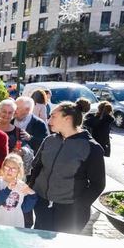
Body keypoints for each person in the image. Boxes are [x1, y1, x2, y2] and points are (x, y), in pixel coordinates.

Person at [29, 99, 106, 234]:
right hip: (42, 205)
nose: (49, 120)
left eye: (53, 116)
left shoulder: (91, 147)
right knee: (40, 244)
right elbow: (37, 167)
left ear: (67, 119)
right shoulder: (49, 140)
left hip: (69, 212)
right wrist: (32, 190)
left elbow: (97, 184)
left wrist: (79, 206)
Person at [0, 154, 38, 228]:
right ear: (3, 167)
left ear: (18, 171)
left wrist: (32, 195)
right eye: (7, 167)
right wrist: (8, 189)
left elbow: (25, 209)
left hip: (14, 224)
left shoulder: (21, 185)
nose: (10, 171)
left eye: (13, 169)